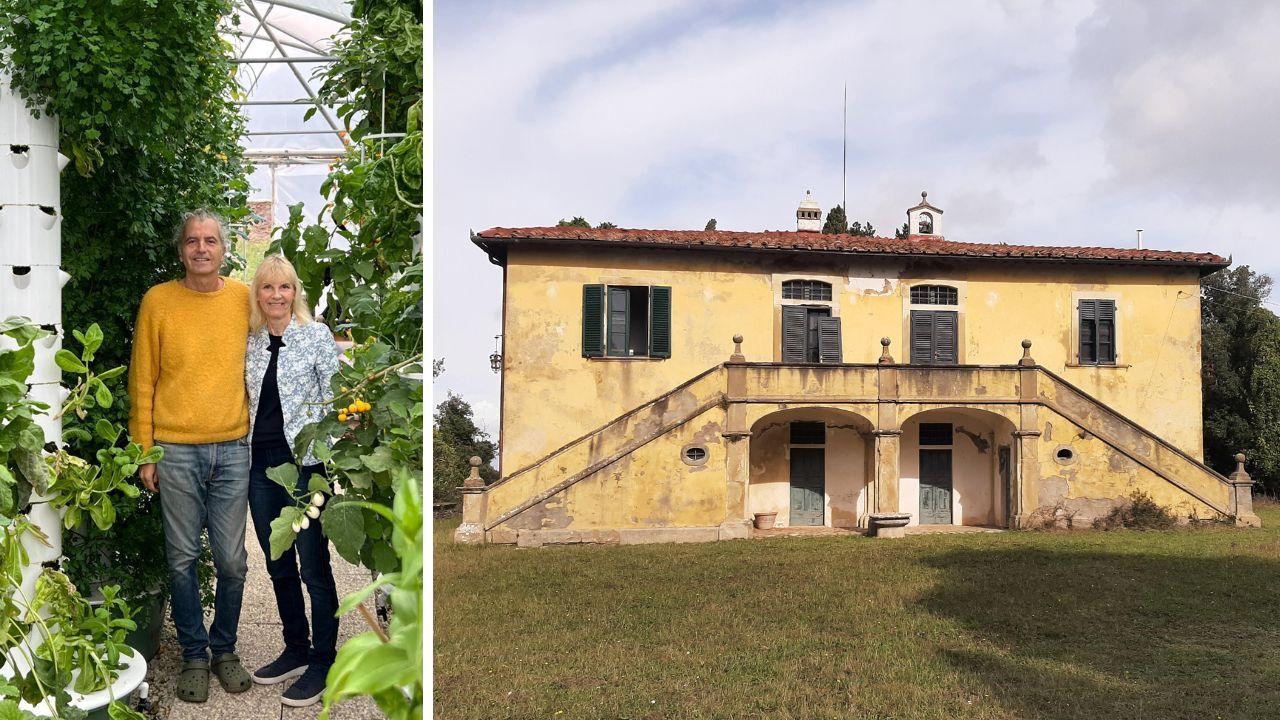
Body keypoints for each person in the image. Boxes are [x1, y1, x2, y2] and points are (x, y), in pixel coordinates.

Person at [128, 209, 253, 703]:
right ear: (180, 250)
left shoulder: (245, 299)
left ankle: (225, 650)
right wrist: (145, 452)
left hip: (232, 447)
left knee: (233, 560)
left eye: (211, 241)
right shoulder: (158, 301)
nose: (202, 249)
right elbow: (142, 380)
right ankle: (195, 656)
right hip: (175, 451)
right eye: (192, 241)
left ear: (224, 249)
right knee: (182, 559)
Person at [244, 255, 341, 707]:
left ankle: (324, 658)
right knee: (277, 559)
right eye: (268, 288)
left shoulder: (316, 336)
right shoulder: (251, 340)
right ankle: (295, 647)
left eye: (285, 287)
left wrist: (325, 456)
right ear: (258, 294)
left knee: (313, 565)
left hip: (304, 466)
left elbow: (335, 400)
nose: (277, 295)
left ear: (295, 291)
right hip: (260, 466)